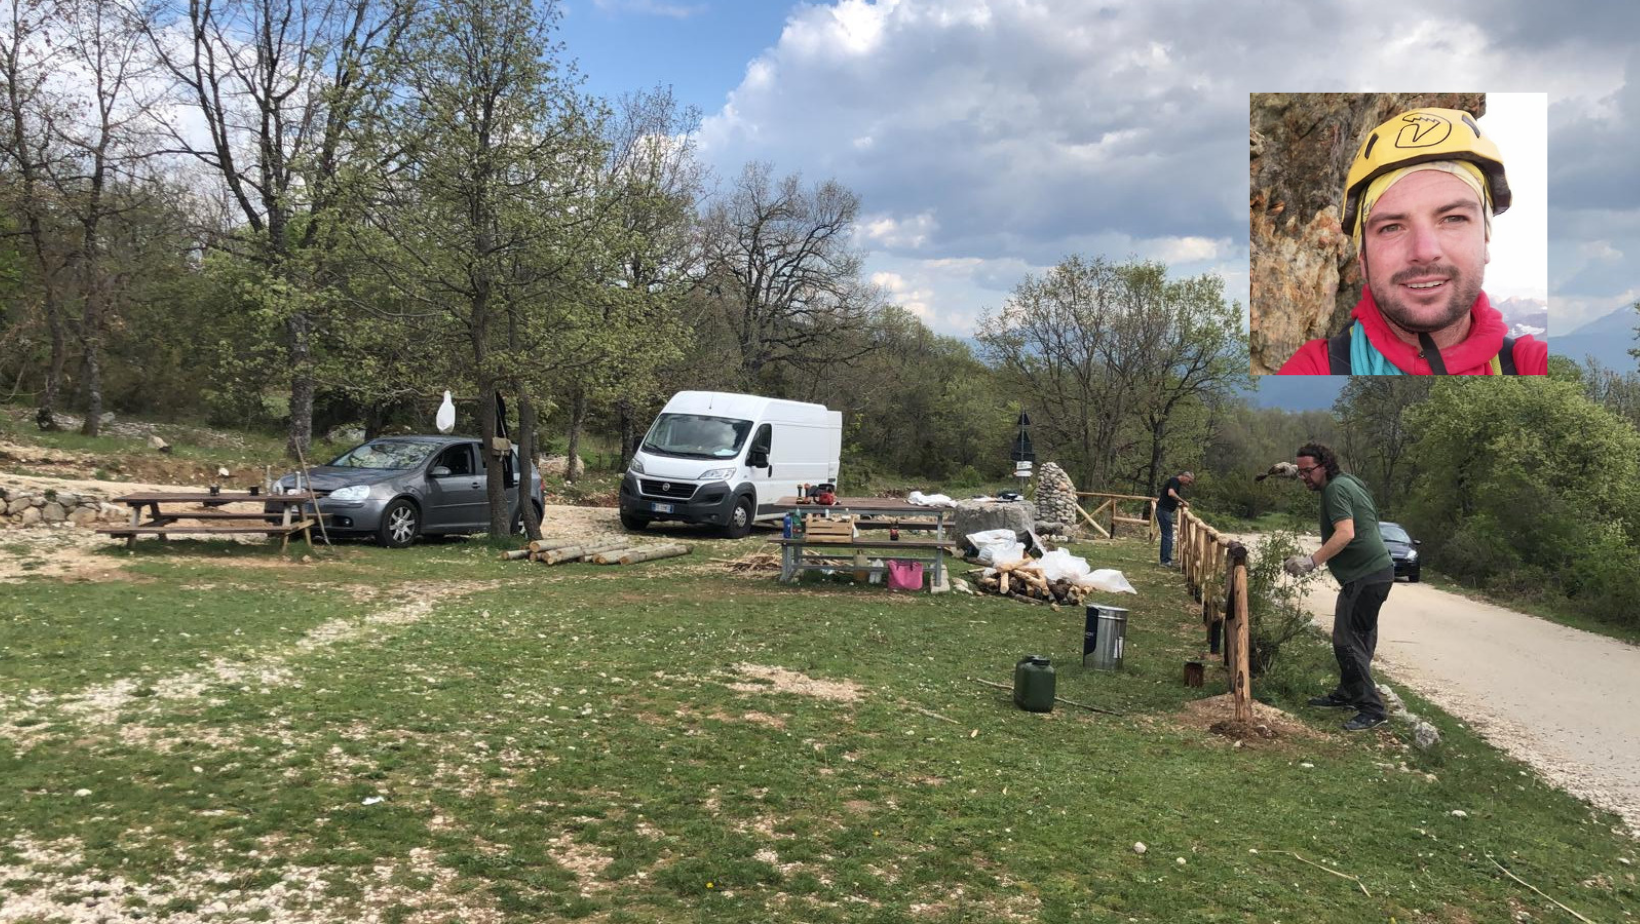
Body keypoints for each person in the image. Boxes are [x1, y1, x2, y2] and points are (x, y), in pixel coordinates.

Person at [1277, 107, 1547, 375]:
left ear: (1485, 239)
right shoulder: (1315, 371)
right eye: (1391, 227)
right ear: (1363, 257)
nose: (1425, 251)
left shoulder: (1533, 366)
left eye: (1453, 219)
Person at [1283, 443, 1394, 732]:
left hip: (1365, 575)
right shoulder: (1345, 480)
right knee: (1361, 637)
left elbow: (1345, 533)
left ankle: (1372, 709)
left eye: (1308, 472)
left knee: (1346, 642)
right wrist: (1294, 470)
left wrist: (1310, 561)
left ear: (1324, 466)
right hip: (1378, 572)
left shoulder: (1334, 490)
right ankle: (1348, 693)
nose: (1304, 477)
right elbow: (1313, 473)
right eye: (1300, 472)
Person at [1155, 471, 1194, 567]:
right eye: (1189, 481)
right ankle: (1165, 561)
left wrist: (1178, 504)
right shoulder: (1175, 481)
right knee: (1168, 536)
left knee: (1167, 535)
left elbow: (1170, 497)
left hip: (1164, 511)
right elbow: (1171, 493)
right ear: (1185, 477)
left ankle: (1165, 560)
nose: (1188, 484)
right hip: (1164, 511)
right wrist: (1183, 501)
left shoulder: (1176, 483)